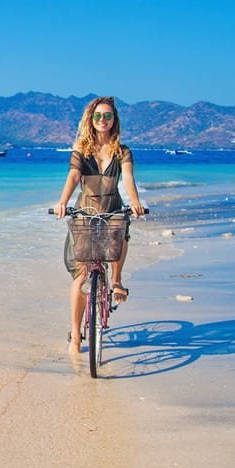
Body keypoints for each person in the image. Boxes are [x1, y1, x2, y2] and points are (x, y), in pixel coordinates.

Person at [53, 96, 145, 353]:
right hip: (85, 209)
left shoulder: (122, 151)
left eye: (107, 116)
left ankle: (116, 280)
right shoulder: (81, 149)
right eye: (98, 116)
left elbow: (127, 177)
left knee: (120, 230)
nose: (102, 120)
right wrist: (62, 202)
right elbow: (73, 176)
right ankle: (75, 335)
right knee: (82, 276)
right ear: (90, 120)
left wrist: (135, 202)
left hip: (112, 207)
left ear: (114, 120)